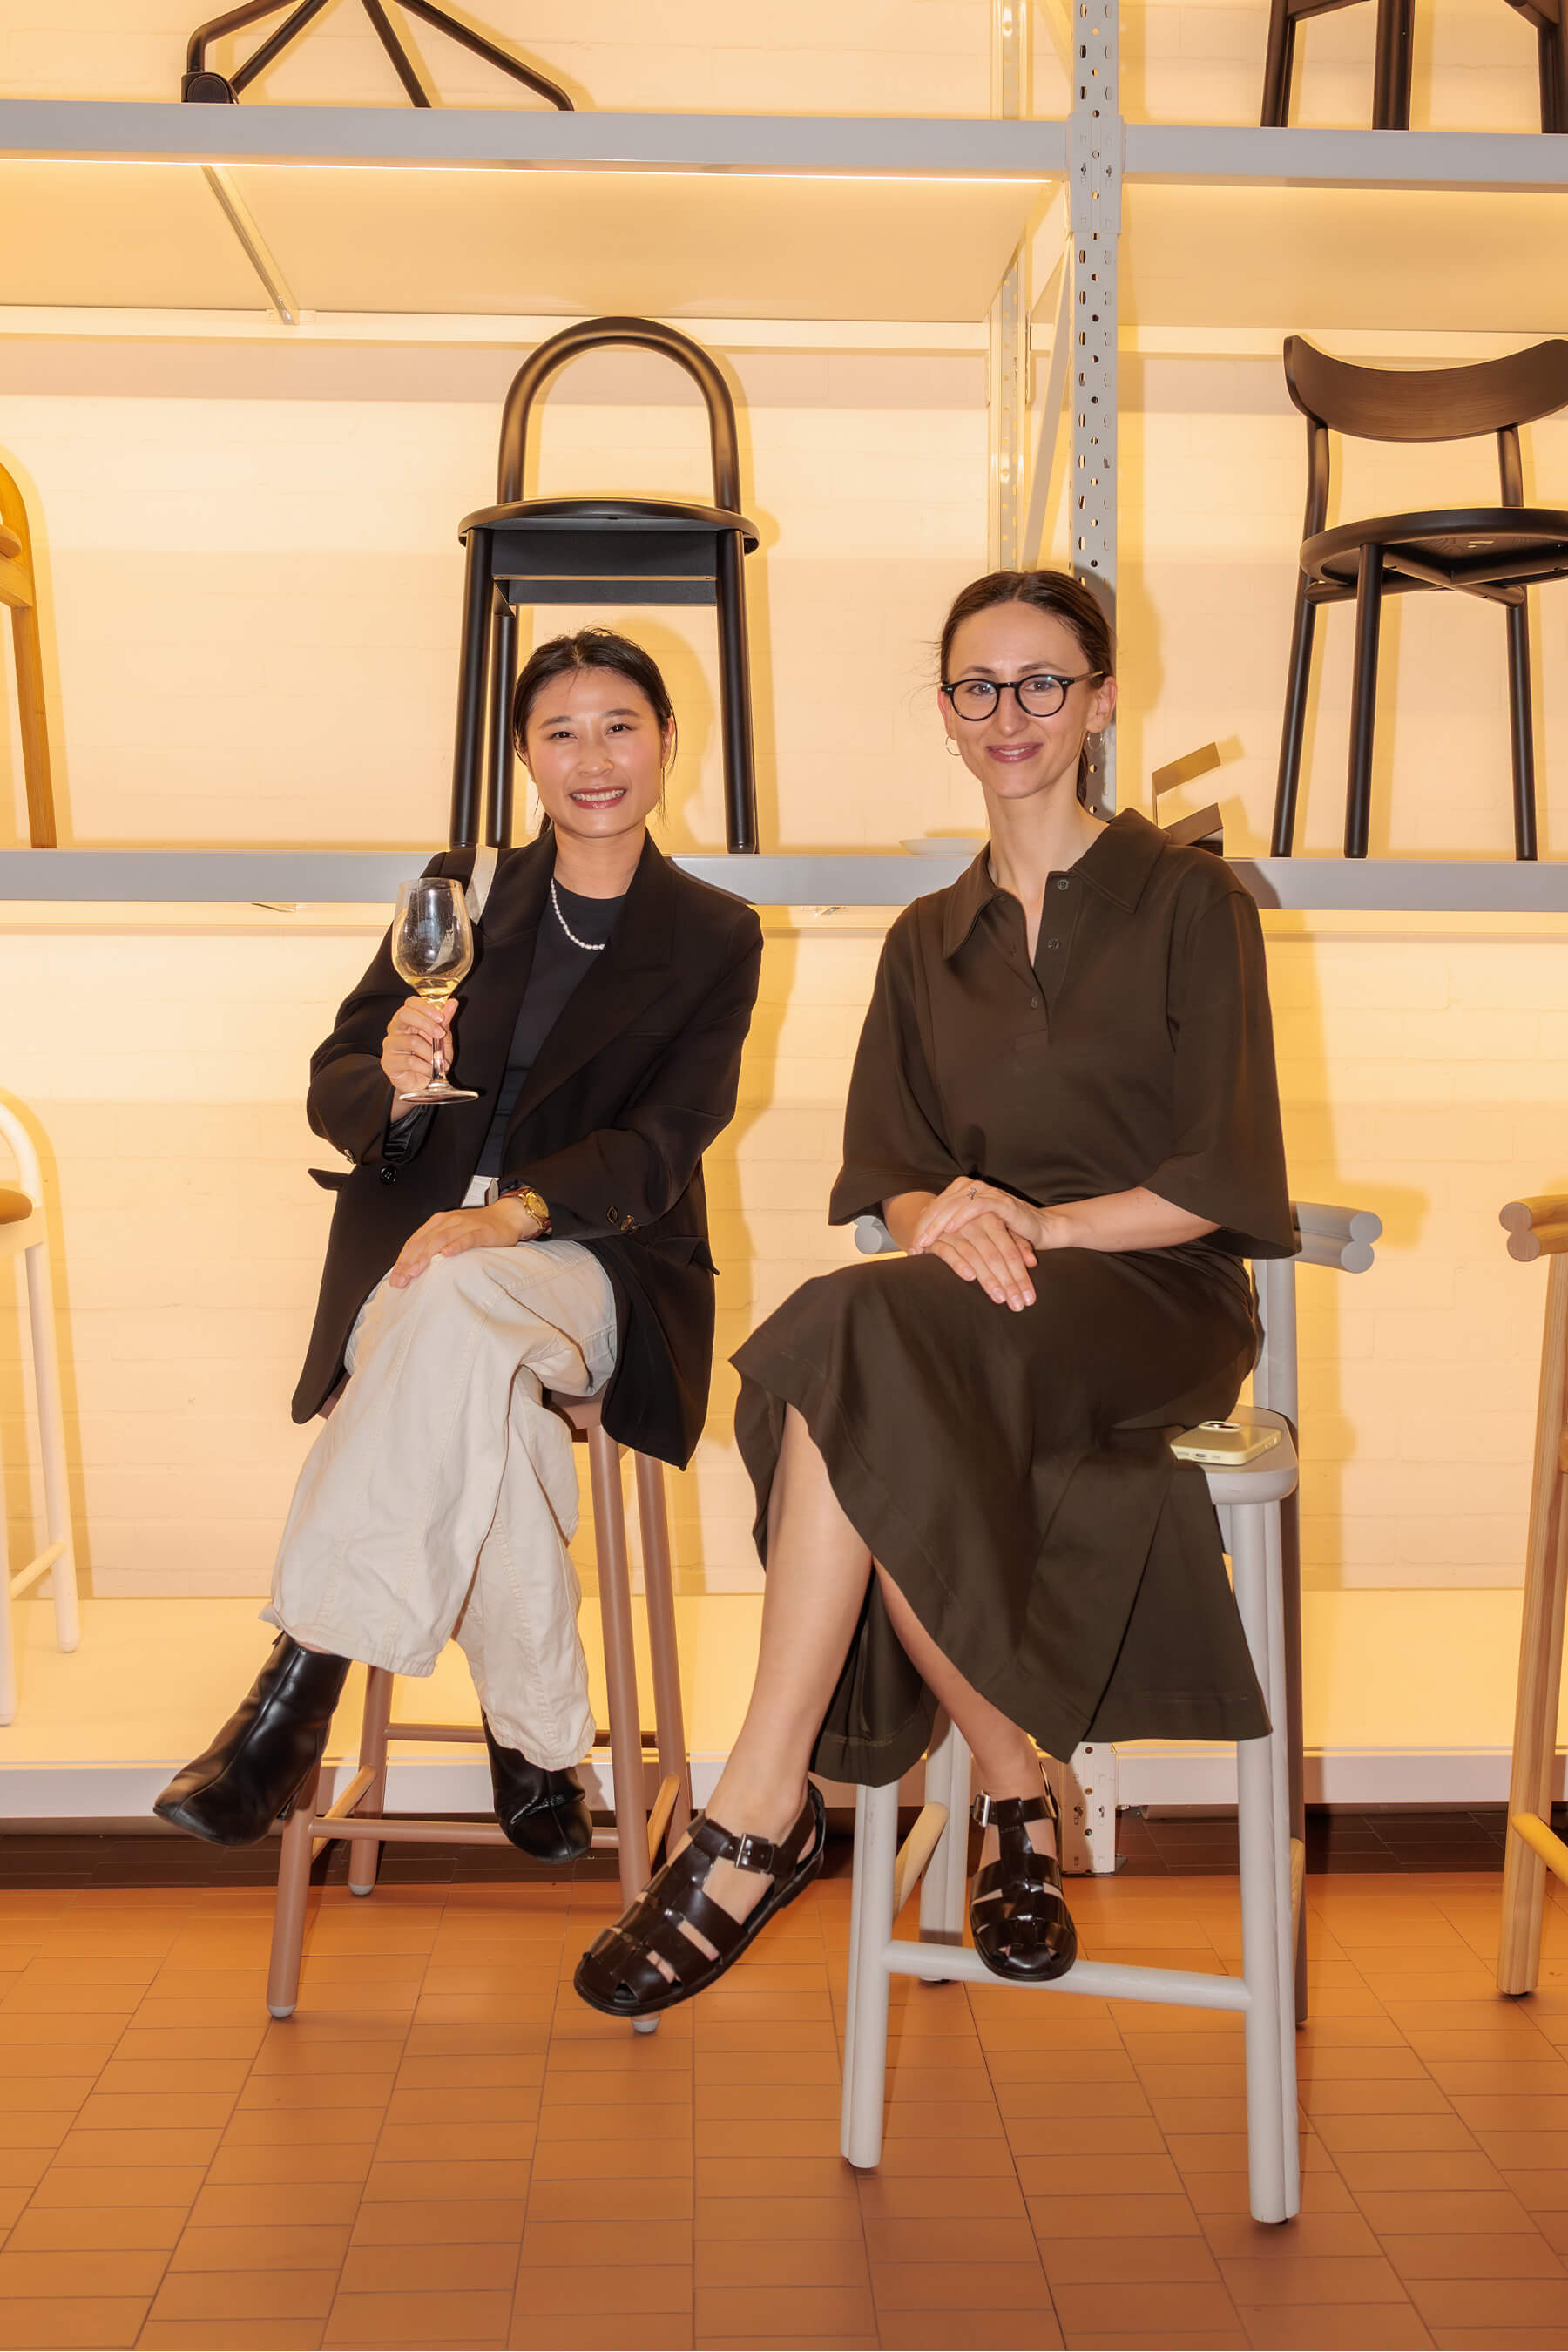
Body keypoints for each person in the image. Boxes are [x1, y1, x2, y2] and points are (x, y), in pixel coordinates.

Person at [576, 567, 1294, 2020]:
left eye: (1043, 683)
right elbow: (894, 1174)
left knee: (848, 1350)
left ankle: (759, 1814)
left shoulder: (1191, 902)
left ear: (1099, 700)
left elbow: (1219, 1177)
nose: (1010, 714)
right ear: (950, 719)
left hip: (1153, 1304)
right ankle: (1014, 1796)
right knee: (872, 1362)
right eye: (978, 687)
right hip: (972, 1315)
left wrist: (1038, 1225)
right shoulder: (923, 938)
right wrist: (946, 1214)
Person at [156, 628, 763, 1858]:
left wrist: (510, 1212)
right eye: (560, 732)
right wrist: (384, 1077)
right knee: (466, 1374)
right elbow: (332, 1079)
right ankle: (541, 1740)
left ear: (665, 743)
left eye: (619, 726)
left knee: (453, 1307)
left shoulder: (714, 934)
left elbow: (664, 1144)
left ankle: (296, 1692)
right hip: (424, 1259)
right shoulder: (466, 891)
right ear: (525, 761)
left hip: (595, 1260)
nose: (593, 757)